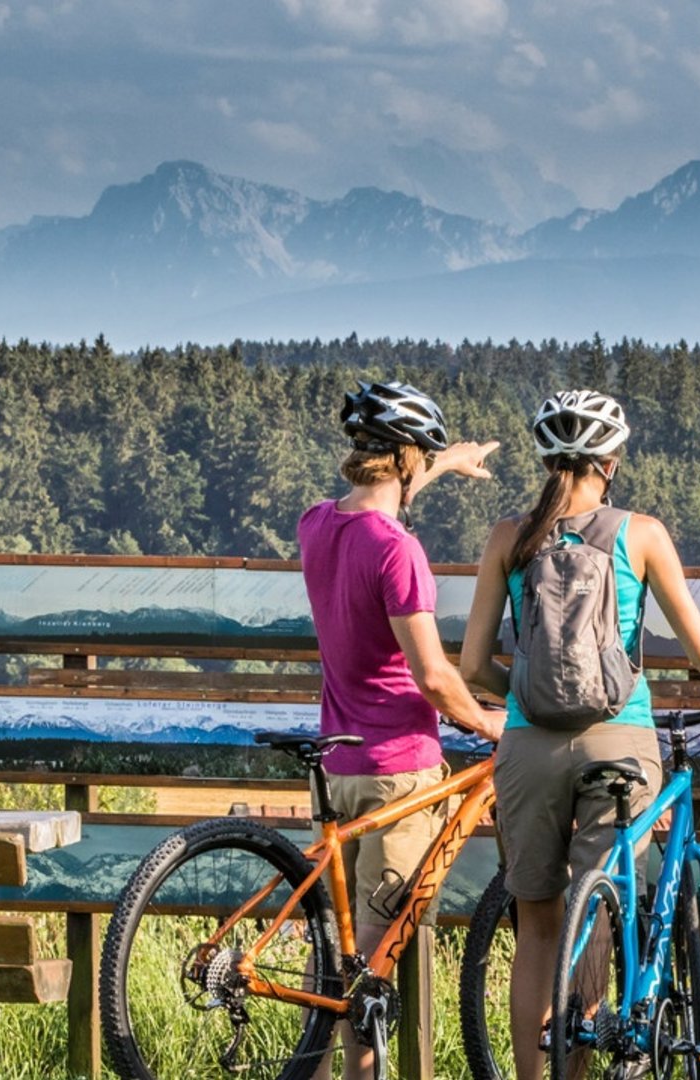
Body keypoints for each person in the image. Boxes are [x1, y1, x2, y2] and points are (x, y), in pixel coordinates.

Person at [458, 389, 700, 1080]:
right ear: (610, 463)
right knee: (597, 920)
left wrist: (522, 697)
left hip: (527, 747)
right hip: (620, 740)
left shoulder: (507, 538)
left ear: (548, 459)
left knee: (538, 928)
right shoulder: (641, 534)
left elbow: (470, 666)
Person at [297, 379, 505, 1079]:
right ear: (407, 458)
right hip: (400, 773)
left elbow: (381, 498)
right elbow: (435, 677)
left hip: (339, 766)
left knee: (327, 954)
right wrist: (490, 725)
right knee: (370, 976)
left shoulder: (315, 525)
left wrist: (443, 463)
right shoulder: (399, 552)